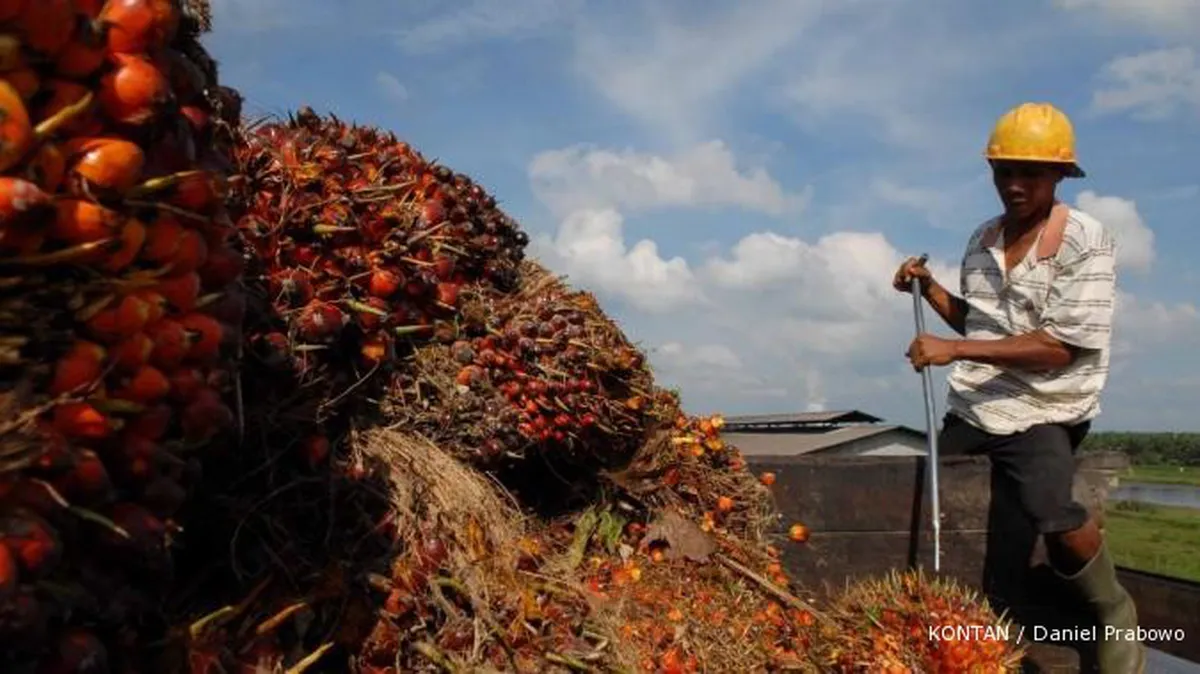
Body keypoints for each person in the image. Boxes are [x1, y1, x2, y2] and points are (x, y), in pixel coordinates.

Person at [892, 102, 1144, 673]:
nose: (1014, 184)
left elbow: (1058, 349)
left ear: (1059, 175)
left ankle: (1112, 609)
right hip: (975, 406)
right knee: (911, 496)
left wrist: (952, 351)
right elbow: (981, 326)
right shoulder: (982, 239)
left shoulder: (1085, 240)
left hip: (1043, 408)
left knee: (1053, 513)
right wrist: (929, 289)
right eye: (1004, 171)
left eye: (1030, 172)